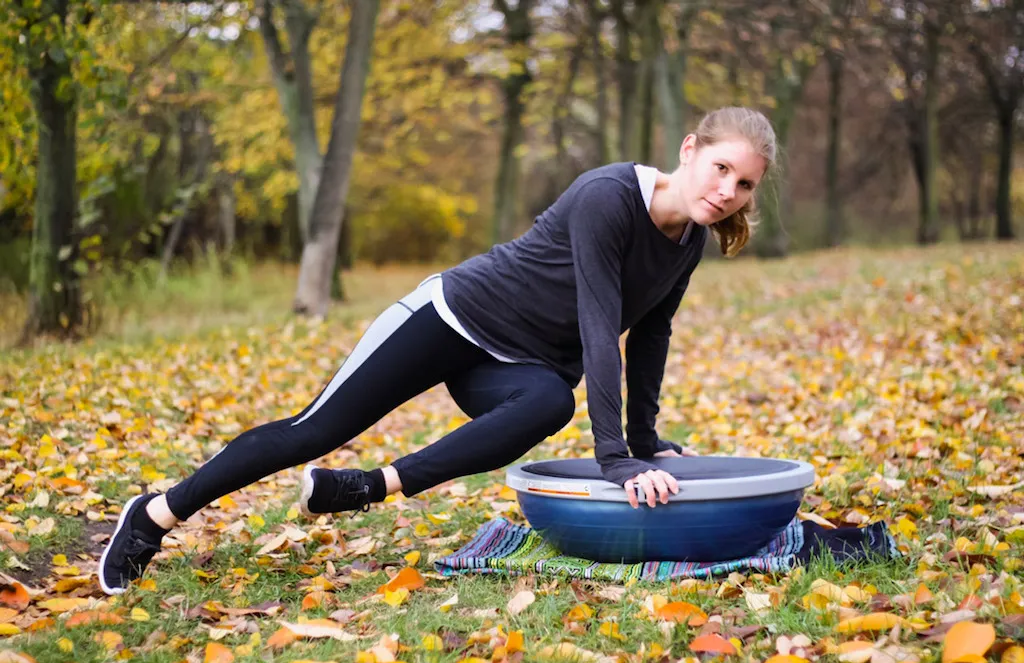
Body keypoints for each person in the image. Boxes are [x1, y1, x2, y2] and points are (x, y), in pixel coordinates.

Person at [98, 106, 776, 595]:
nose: (726, 192)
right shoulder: (609, 197)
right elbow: (601, 326)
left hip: (515, 365)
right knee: (315, 430)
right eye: (721, 169)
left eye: (744, 184)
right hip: (451, 315)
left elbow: (649, 333)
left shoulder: (688, 241)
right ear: (690, 148)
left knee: (546, 401)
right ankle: (156, 513)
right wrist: (617, 459)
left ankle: (370, 486)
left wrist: (646, 439)